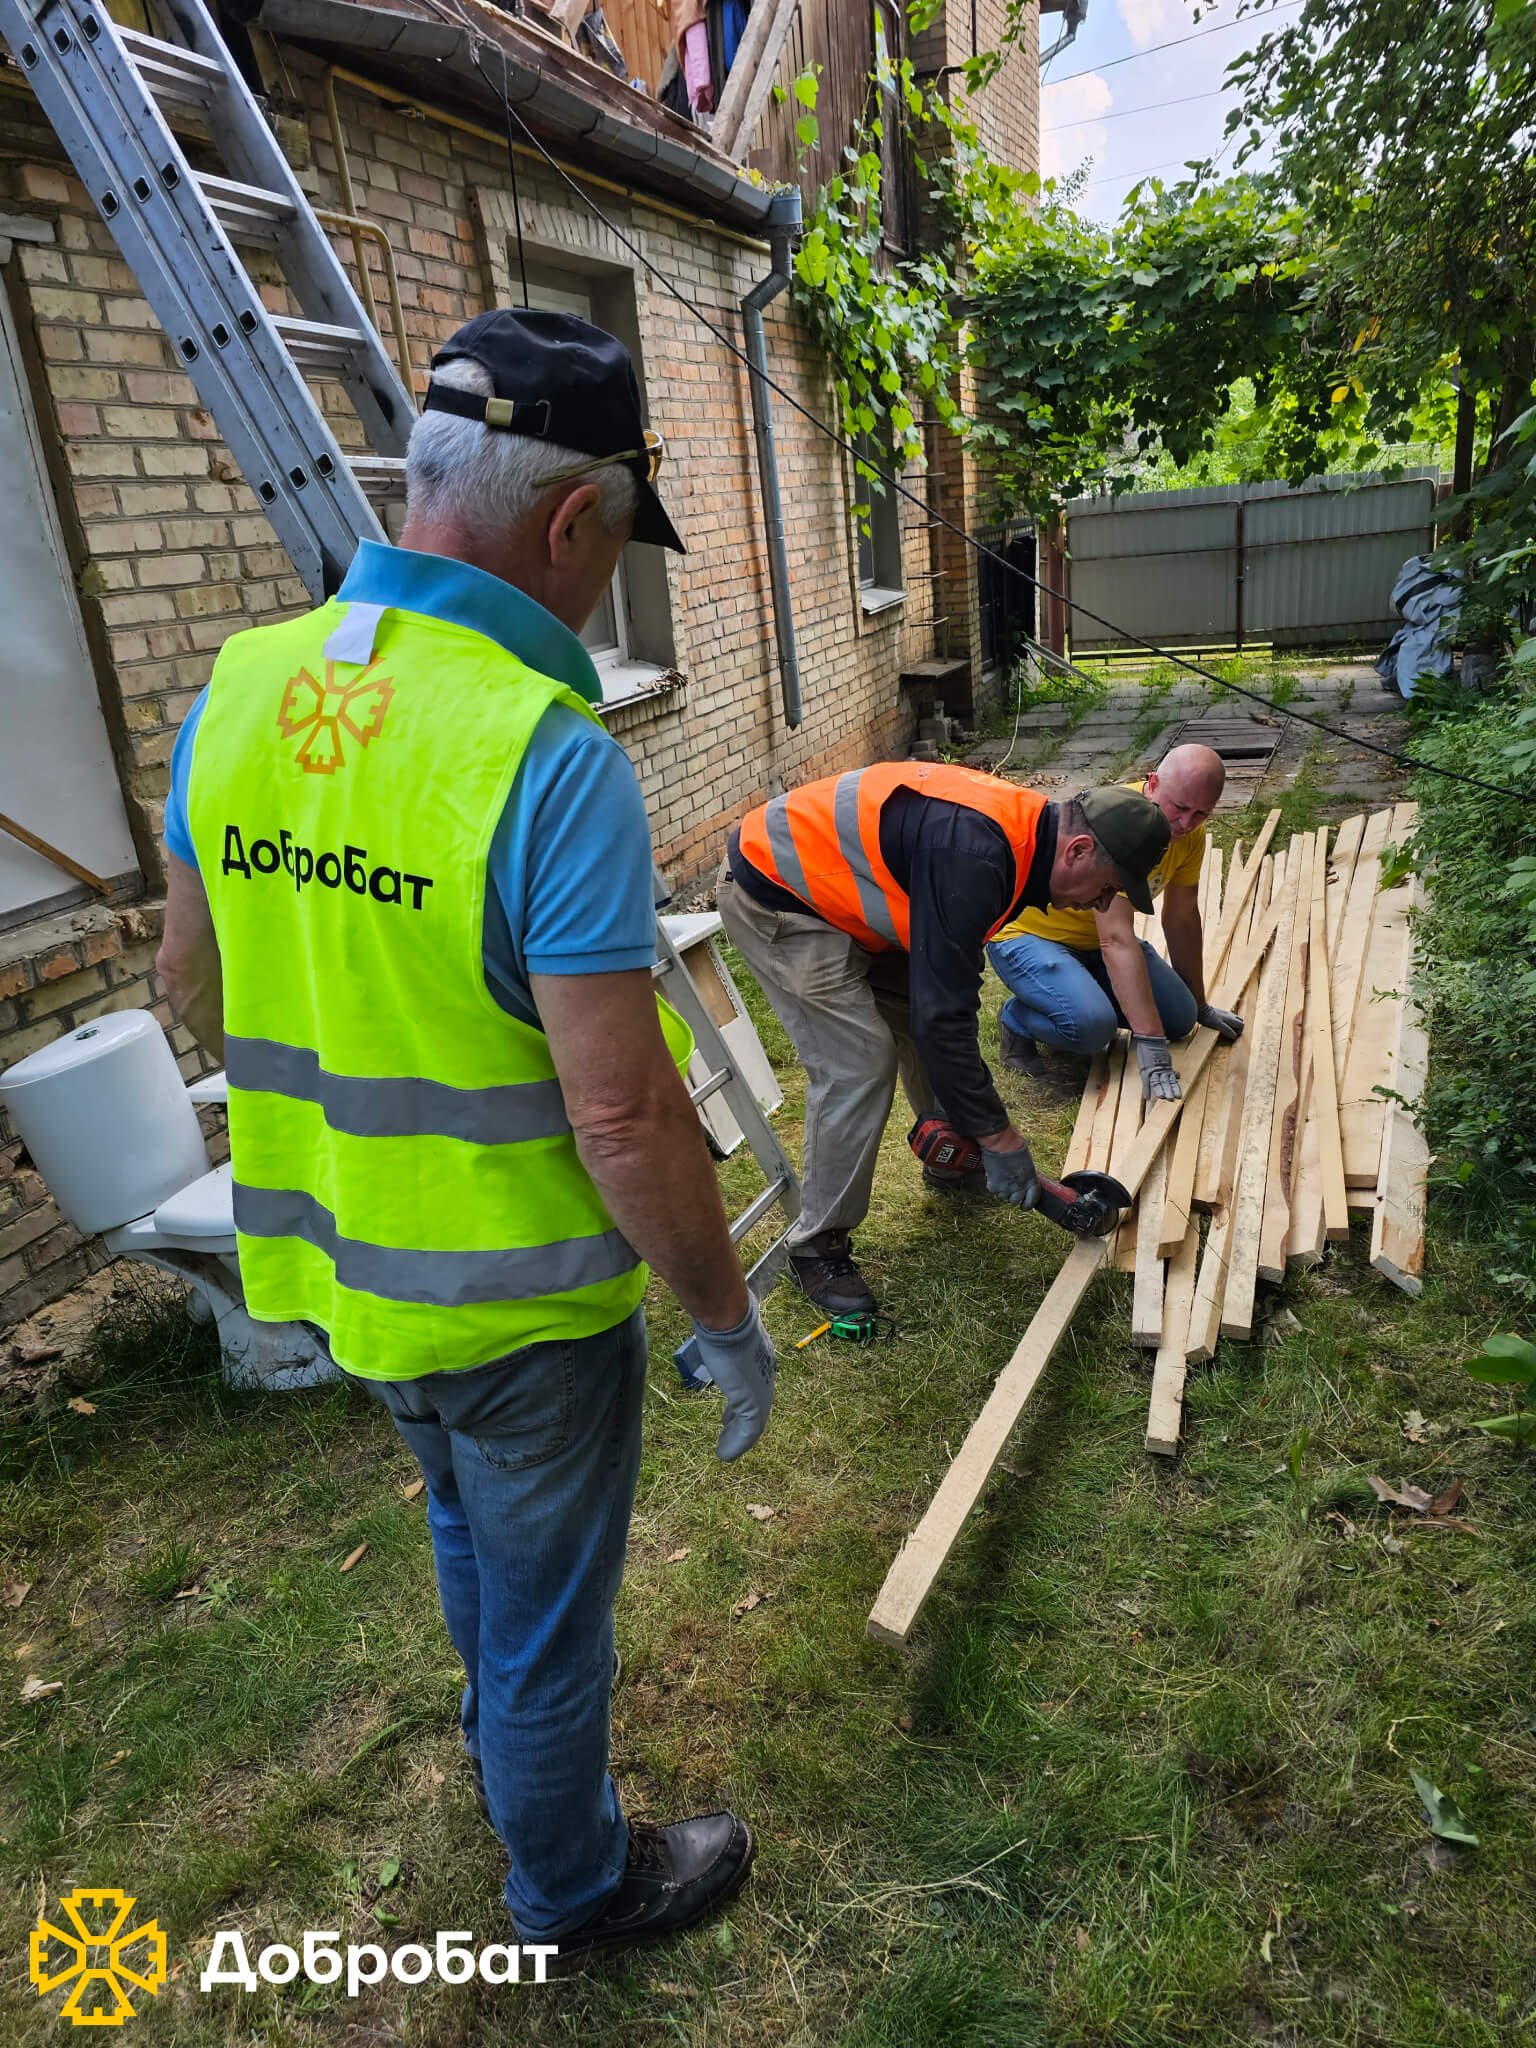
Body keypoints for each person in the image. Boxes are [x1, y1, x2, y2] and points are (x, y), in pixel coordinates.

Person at [156, 309, 776, 1966]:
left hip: (344, 1267)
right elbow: (625, 1109)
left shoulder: (238, 689)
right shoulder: (539, 750)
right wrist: (724, 1315)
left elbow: (187, 976)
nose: (602, 590)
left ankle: (504, 1726)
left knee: (461, 1515)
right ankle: (573, 1884)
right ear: (573, 518)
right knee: (550, 1599)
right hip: (523, 1303)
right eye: (617, 549)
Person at [717, 767, 1170, 1316]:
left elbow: (942, 1003)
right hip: (779, 893)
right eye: (1107, 888)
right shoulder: (977, 857)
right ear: (1076, 851)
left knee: (918, 1018)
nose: (1102, 905)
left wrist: (981, 1131)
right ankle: (818, 1243)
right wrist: (1001, 1139)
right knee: (859, 1063)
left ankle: (950, 1153)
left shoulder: (1022, 842)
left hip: (853, 895)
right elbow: (944, 1019)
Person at [986, 743, 1246, 1105]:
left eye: (1201, 813)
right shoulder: (1121, 824)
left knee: (1180, 1018)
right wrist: (1152, 1052)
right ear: (1152, 784)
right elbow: (1116, 941)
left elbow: (1182, 917)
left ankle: (1080, 991)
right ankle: (1017, 1017)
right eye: (1180, 808)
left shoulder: (1188, 838)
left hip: (1095, 946)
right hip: (1030, 937)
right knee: (1093, 1028)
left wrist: (1199, 1005)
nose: (1186, 824)